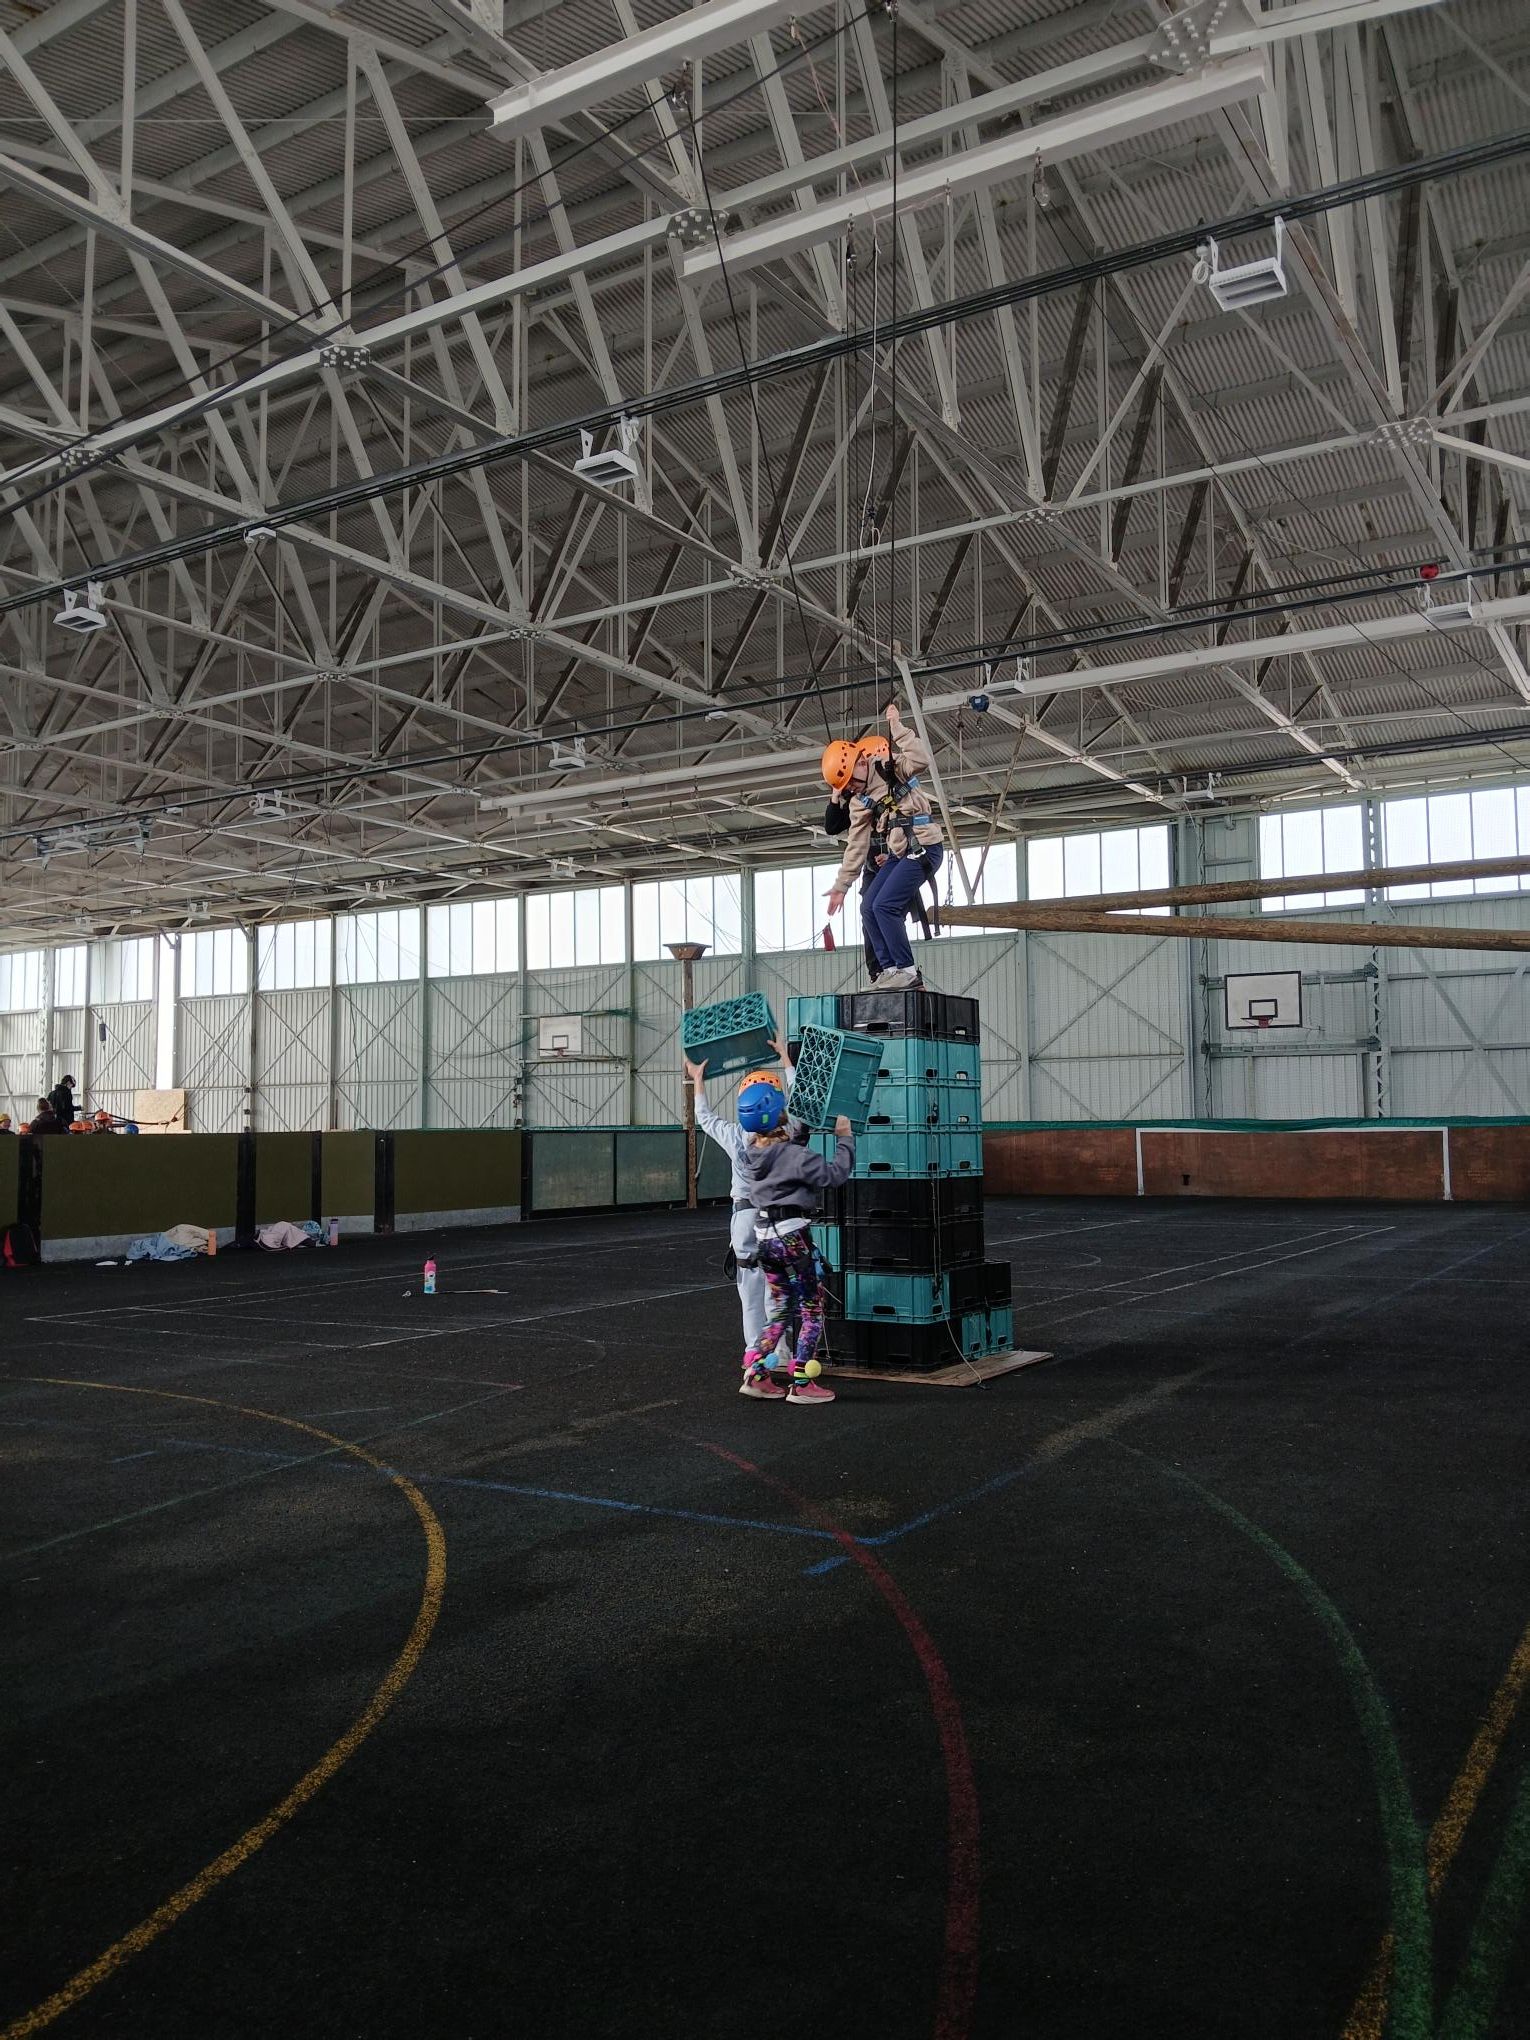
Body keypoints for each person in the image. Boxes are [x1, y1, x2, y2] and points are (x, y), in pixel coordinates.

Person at [737, 1086, 855, 1407]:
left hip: (765, 1240)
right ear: (779, 1114)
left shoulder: (751, 1154)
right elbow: (834, 1175)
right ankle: (802, 1382)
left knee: (780, 1308)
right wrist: (845, 1138)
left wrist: (801, 1131)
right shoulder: (794, 1157)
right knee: (812, 1308)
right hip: (792, 1238)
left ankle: (757, 1374)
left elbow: (786, 1155)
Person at [685, 1041, 797, 1354]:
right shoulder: (787, 1133)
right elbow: (801, 1101)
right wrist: (786, 1059)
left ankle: (754, 1354)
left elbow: (704, 1117)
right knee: (777, 1287)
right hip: (777, 1220)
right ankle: (780, 1350)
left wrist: (698, 1079)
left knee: (750, 1292)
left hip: (745, 1219)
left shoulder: (734, 1136)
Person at [824, 701, 944, 990]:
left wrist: (898, 729)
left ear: (861, 764)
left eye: (850, 783)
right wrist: (841, 886)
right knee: (868, 907)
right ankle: (888, 970)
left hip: (924, 847)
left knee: (885, 905)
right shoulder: (859, 801)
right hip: (900, 854)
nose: (850, 789)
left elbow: (921, 759)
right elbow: (856, 843)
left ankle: (908, 971)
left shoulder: (891, 768)